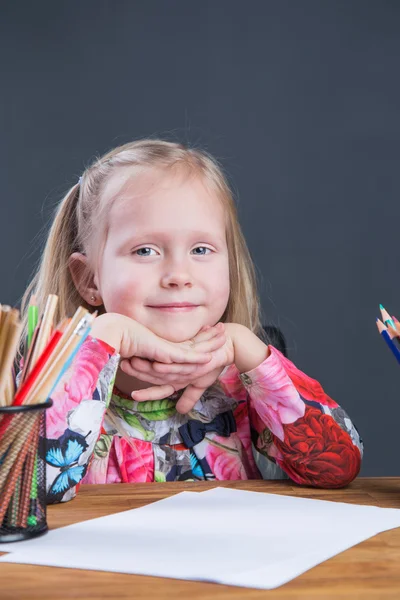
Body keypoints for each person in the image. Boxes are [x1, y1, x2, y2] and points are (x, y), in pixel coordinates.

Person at [19, 139, 363, 503]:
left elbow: (337, 469)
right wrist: (104, 336)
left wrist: (247, 348)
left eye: (201, 249)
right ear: (90, 279)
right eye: (145, 250)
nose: (179, 275)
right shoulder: (44, 376)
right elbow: (29, 490)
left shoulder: (242, 378)